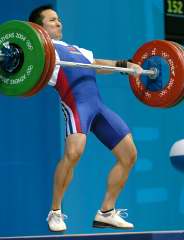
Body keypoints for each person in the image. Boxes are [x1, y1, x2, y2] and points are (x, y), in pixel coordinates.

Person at [29, 5, 143, 232]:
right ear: (38, 28)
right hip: (76, 106)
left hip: (98, 107)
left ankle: (106, 212)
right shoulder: (40, 52)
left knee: (129, 155)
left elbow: (100, 65)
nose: (59, 23)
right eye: (52, 20)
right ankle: (55, 212)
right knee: (74, 153)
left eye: (59, 19)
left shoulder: (76, 50)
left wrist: (126, 65)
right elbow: (22, 63)